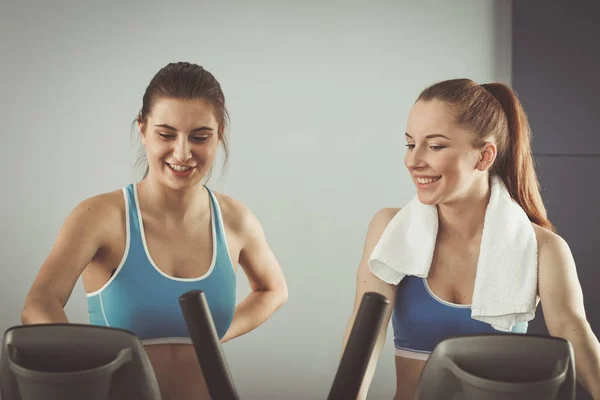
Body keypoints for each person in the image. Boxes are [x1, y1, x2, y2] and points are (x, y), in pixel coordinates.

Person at [21, 61, 288, 400]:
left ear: (219, 136)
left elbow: (274, 290)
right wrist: (82, 367)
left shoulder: (235, 218)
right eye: (166, 134)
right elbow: (39, 302)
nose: (182, 152)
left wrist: (211, 336)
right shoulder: (100, 216)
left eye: (200, 137)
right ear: (142, 130)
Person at [342, 78, 600, 400]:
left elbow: (575, 335)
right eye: (410, 144)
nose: (413, 160)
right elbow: (365, 331)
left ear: (484, 157)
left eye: (434, 146)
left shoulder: (543, 249)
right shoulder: (390, 230)